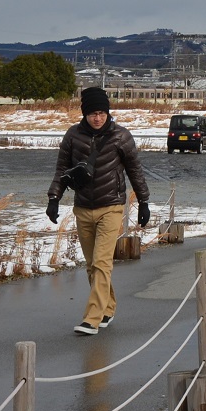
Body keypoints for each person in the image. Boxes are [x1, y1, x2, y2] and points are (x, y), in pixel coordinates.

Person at [47, 87, 151, 335]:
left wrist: (144, 202)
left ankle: (91, 319)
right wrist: (53, 198)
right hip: (83, 207)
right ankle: (108, 307)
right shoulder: (73, 136)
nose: (98, 118)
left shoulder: (121, 137)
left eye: (102, 113)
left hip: (111, 206)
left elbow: (135, 170)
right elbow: (62, 169)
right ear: (85, 114)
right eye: (93, 113)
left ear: (108, 113)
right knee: (93, 265)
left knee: (103, 262)